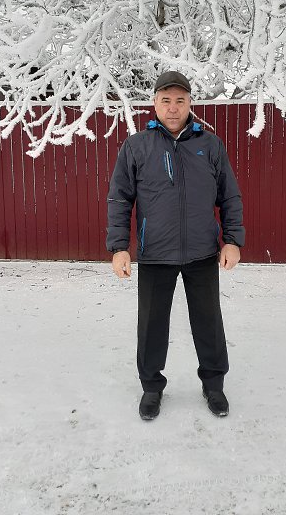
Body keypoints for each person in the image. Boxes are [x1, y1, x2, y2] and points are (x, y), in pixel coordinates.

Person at [106, 71, 245, 420]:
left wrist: (232, 240)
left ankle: (214, 384)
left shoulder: (209, 145)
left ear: (189, 103)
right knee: (152, 325)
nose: (173, 107)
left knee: (209, 322)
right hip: (155, 254)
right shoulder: (137, 146)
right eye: (166, 100)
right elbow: (119, 199)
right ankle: (151, 387)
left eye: (180, 100)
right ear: (154, 103)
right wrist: (119, 247)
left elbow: (229, 196)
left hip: (202, 252)